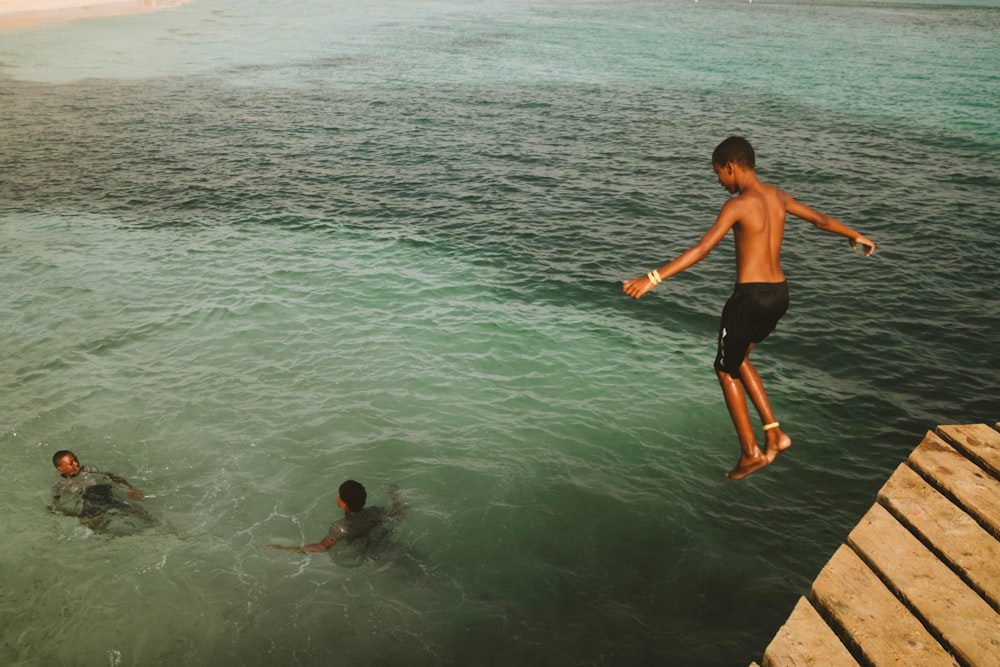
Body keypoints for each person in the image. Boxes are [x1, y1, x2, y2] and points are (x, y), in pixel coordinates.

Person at [623, 136, 876, 481]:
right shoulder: (778, 196)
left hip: (749, 298)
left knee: (725, 370)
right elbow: (819, 219)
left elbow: (701, 250)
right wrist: (855, 234)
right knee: (740, 359)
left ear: (730, 167)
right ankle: (774, 434)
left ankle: (750, 451)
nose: (719, 182)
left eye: (718, 174)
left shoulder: (738, 206)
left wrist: (653, 278)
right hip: (779, 295)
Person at [267, 480, 406, 554]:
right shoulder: (375, 511)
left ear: (342, 503)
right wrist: (396, 497)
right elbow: (398, 514)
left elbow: (322, 547)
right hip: (391, 544)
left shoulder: (341, 527)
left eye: (339, 494)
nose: (337, 495)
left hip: (373, 553)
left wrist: (285, 549)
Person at [50, 450, 156, 534]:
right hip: (91, 505)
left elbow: (111, 477)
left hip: (106, 497)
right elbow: (56, 506)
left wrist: (130, 488)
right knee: (97, 533)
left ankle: (158, 529)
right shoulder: (60, 485)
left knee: (140, 513)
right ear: (60, 469)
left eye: (75, 460)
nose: (76, 465)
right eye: (71, 463)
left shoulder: (88, 469)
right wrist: (75, 516)